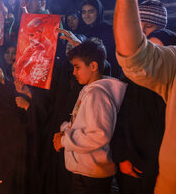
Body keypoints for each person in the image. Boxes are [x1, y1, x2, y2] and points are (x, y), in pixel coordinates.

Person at [107, 0, 176, 193]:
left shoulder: (164, 46)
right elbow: (136, 59)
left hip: (144, 161)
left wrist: (130, 155)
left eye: (145, 28)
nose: (147, 39)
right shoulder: (171, 62)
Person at [53, 40, 127, 194]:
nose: (74, 72)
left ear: (93, 66)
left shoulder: (97, 94)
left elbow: (98, 135)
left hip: (90, 175)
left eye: (77, 67)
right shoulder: (89, 90)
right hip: (86, 171)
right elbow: (81, 124)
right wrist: (65, 131)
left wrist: (65, 140)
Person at [80, 0, 120, 78]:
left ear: (98, 12)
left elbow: (112, 58)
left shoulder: (109, 31)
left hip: (106, 77)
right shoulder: (83, 31)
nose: (86, 15)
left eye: (91, 11)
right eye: (84, 12)